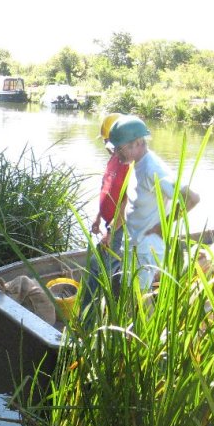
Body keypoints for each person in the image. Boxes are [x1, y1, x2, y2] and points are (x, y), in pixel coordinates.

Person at [108, 115, 201, 291]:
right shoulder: (137, 164)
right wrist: (113, 229)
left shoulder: (154, 168)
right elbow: (133, 204)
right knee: (129, 295)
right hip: (134, 244)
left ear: (137, 143)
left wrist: (163, 226)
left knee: (138, 300)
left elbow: (192, 198)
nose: (116, 154)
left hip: (146, 248)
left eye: (119, 148)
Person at [80, 113, 131, 313]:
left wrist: (111, 231)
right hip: (109, 224)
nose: (106, 146)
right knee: (106, 268)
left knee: (98, 269)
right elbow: (106, 188)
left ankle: (88, 318)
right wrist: (98, 217)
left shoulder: (129, 163)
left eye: (109, 141)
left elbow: (126, 201)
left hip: (120, 227)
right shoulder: (113, 160)